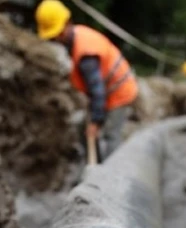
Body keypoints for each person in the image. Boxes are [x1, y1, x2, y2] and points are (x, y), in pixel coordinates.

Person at [35, 0, 138, 163]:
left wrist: (96, 121)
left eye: (58, 33)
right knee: (86, 129)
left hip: (119, 91)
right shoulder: (75, 38)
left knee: (111, 135)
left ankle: (113, 176)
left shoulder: (86, 55)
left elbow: (97, 90)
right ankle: (94, 165)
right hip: (106, 90)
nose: (56, 38)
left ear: (67, 23)